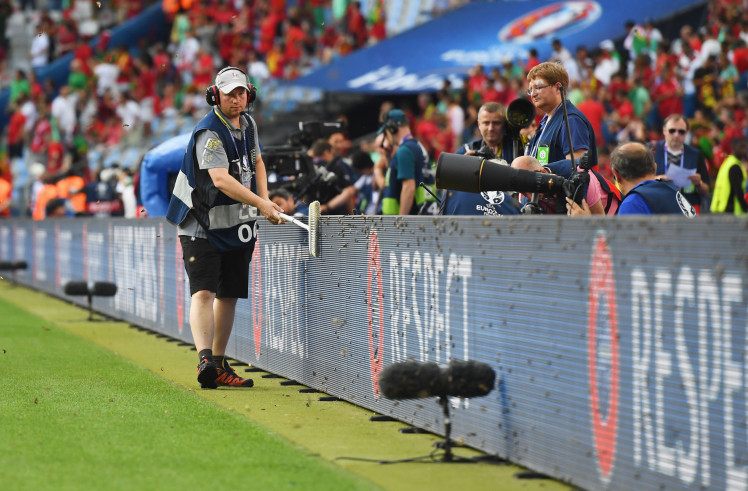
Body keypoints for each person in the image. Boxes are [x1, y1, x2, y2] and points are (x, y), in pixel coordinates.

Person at [166, 66, 284, 389]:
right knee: (204, 291)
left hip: (233, 222)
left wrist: (266, 197)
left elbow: (257, 160)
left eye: (241, 92)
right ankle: (205, 359)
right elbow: (220, 179)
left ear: (249, 94)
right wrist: (262, 205)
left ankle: (218, 363)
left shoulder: (249, 124)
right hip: (198, 222)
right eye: (230, 93)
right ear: (215, 96)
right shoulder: (209, 132)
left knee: (228, 294)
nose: (237, 99)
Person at [567, 142, 695, 216]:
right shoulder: (674, 191)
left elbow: (622, 252)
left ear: (616, 175)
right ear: (654, 168)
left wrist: (587, 226)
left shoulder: (633, 203)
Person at [442, 103, 521, 216]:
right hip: (474, 213)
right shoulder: (465, 151)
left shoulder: (518, 149)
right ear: (478, 124)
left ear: (505, 125)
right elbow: (448, 191)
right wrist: (462, 168)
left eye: (496, 123)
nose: (491, 128)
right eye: (486, 123)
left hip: (509, 213)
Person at [525, 61, 597, 178]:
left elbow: (578, 166)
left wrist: (546, 171)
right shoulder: (546, 121)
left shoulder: (571, 120)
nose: (533, 94)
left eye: (538, 87)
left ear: (558, 87)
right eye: (530, 90)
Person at [513, 155, 619, 215]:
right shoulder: (525, 197)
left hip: (613, 217)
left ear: (543, 173)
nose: (527, 196)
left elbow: (601, 222)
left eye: (528, 188)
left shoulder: (579, 175)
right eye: (522, 192)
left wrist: (586, 221)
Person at [652, 114, 710, 213]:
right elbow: (639, 181)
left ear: (686, 133)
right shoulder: (652, 151)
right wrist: (657, 179)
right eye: (672, 131)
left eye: (681, 132)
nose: (676, 135)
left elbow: (706, 189)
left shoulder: (696, 154)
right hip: (659, 205)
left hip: (688, 207)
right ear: (664, 131)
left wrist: (699, 183)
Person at [380, 109, 431, 215]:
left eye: (386, 131)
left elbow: (409, 187)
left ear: (392, 128)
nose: (387, 137)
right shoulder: (417, 146)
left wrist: (402, 222)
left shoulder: (404, 151)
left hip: (410, 222)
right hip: (424, 216)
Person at [710, 137, 748, 215]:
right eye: (743, 148)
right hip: (731, 209)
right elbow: (738, 191)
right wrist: (745, 209)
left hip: (722, 207)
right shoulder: (735, 166)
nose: (745, 151)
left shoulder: (728, 162)